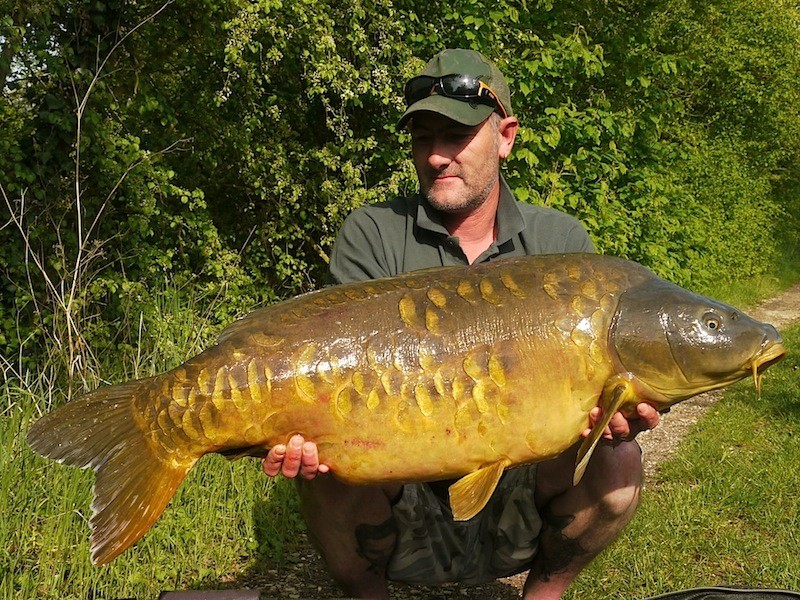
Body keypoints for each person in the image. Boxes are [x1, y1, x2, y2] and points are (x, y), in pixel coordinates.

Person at [262, 48, 660, 599]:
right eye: (423, 139)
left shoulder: (561, 248)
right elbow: (335, 377)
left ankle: (545, 594)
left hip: (520, 485)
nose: (436, 157)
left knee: (618, 463)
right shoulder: (372, 233)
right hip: (401, 488)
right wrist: (305, 432)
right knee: (325, 467)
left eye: (456, 137)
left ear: (505, 136)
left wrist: (614, 418)